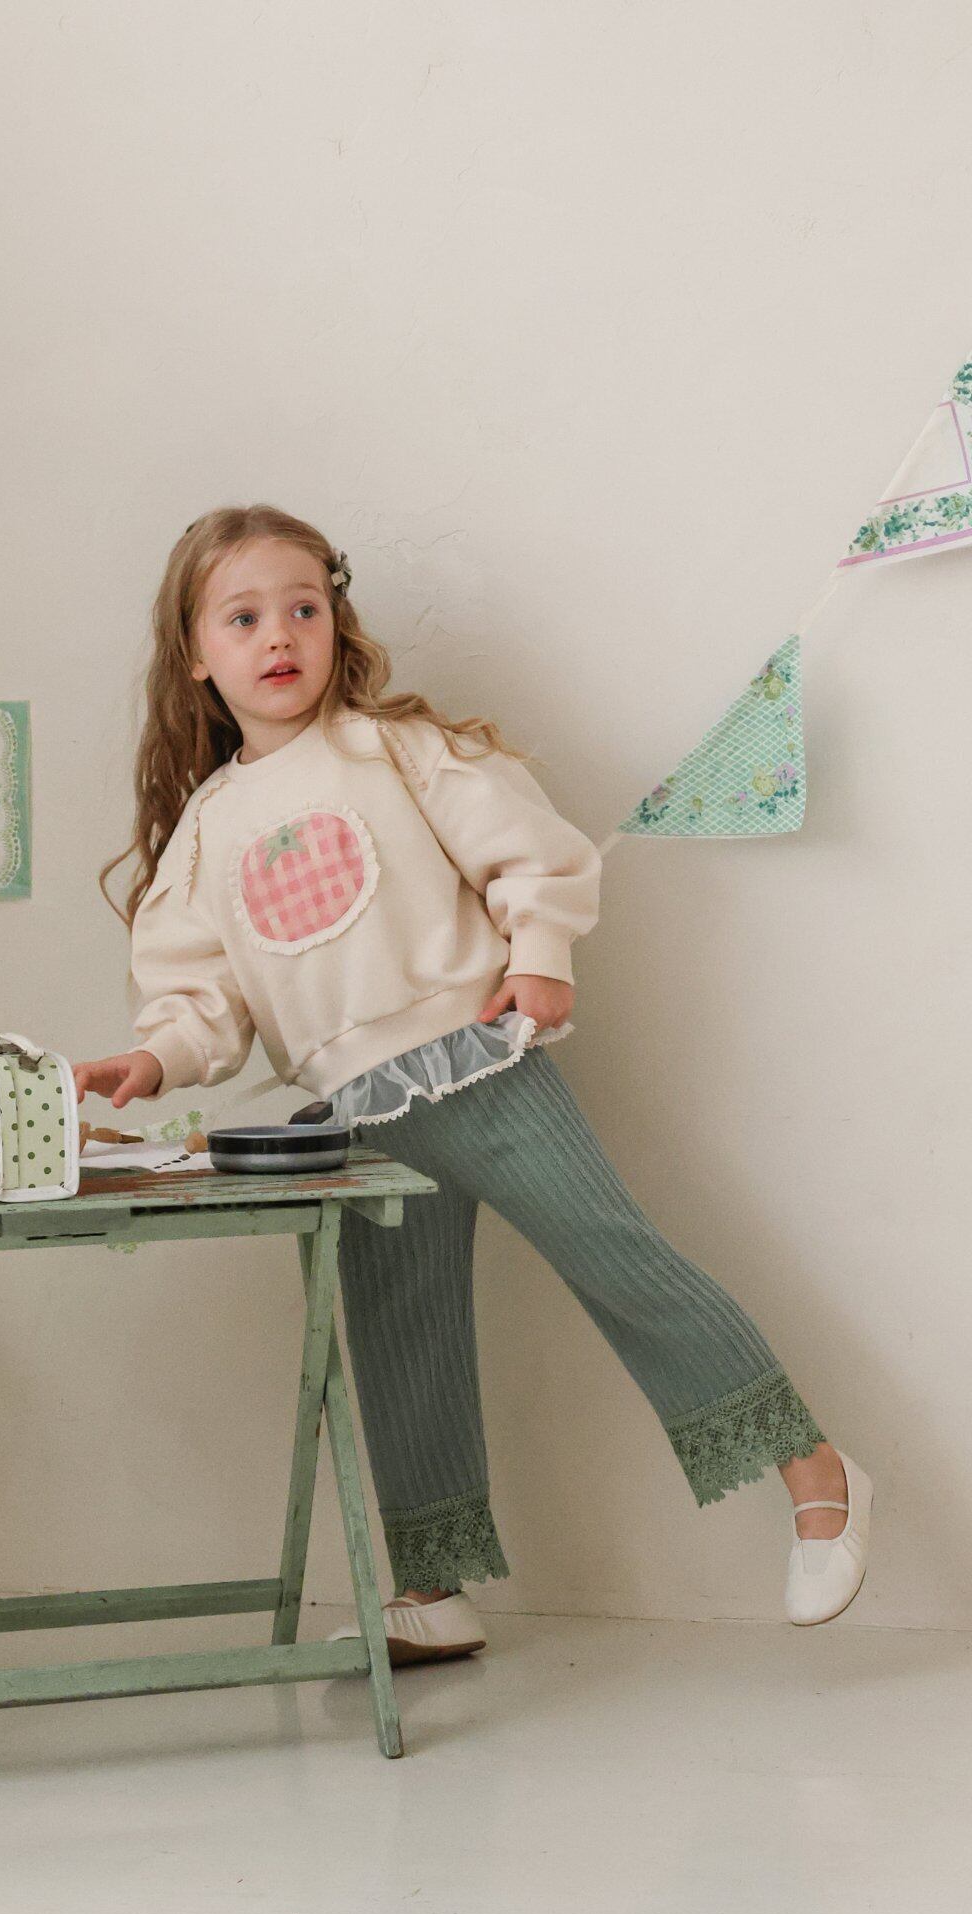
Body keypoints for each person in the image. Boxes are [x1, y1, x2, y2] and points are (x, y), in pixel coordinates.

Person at [74, 503, 873, 1665]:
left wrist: (538, 956)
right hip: (352, 1117)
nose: (278, 635)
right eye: (242, 618)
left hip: (475, 1062)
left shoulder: (390, 750)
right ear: (195, 654)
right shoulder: (205, 832)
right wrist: (151, 1059)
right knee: (400, 1334)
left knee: (614, 1259)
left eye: (303, 608)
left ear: (335, 621)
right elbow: (203, 1001)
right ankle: (431, 1585)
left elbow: (528, 853)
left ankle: (815, 1471)